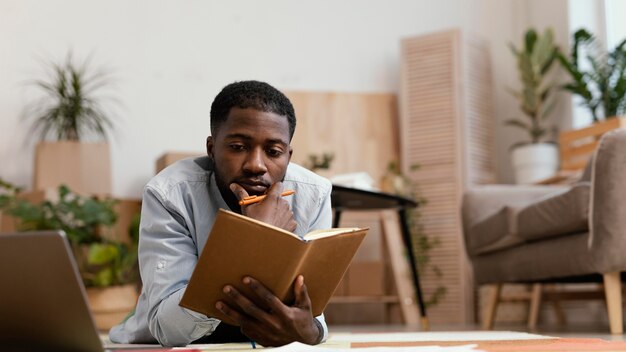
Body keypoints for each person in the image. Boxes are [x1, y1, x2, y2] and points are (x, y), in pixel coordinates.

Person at [109, 81, 331, 347]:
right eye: (238, 147)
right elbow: (168, 328)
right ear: (212, 148)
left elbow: (313, 316)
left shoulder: (313, 195)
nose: (256, 165)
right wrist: (255, 239)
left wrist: (310, 332)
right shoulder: (169, 194)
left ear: (288, 156)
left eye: (273, 152)